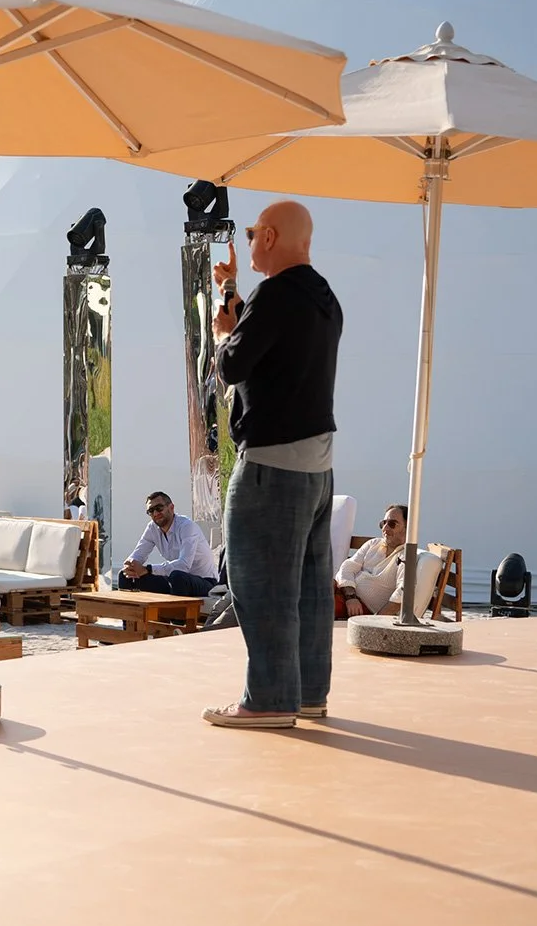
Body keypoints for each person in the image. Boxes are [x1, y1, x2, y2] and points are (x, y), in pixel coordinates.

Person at [204, 200, 343, 731]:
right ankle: (307, 695)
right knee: (308, 586)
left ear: (271, 236)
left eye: (253, 232)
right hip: (316, 466)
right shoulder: (323, 296)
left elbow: (236, 361)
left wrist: (222, 335)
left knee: (258, 580)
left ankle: (267, 699)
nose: (250, 241)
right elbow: (271, 351)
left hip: (270, 464)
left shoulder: (275, 294)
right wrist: (232, 297)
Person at [117, 491, 219, 597]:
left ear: (171, 507)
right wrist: (130, 565)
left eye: (159, 508)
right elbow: (138, 554)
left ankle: (174, 614)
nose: (156, 513)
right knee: (125, 575)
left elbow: (184, 565)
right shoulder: (152, 528)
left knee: (178, 576)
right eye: (151, 511)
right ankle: (127, 613)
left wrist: (148, 569)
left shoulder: (186, 526)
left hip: (205, 582)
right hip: (174, 580)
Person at [335, 505, 409, 618]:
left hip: (363, 609)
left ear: (407, 528)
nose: (385, 528)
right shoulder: (373, 544)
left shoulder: (406, 557)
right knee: (317, 584)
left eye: (392, 524)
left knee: (316, 602)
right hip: (348, 593)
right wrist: (351, 598)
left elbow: (401, 593)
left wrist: (375, 620)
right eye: (383, 523)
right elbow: (348, 566)